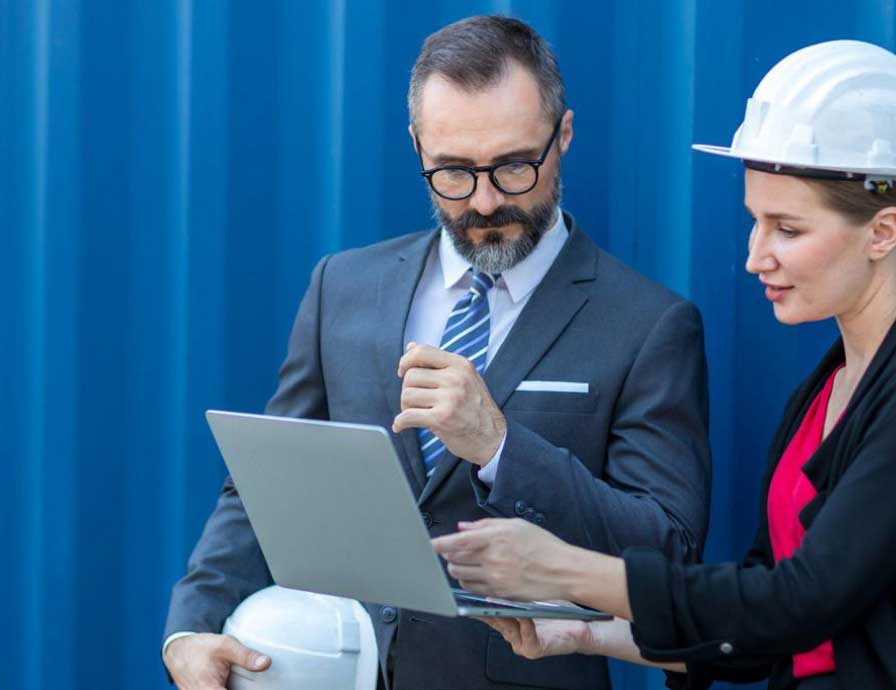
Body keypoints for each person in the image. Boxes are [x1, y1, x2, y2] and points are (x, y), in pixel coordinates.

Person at [164, 15, 712, 690]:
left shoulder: (650, 325)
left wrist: (501, 447)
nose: (484, 201)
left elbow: (667, 554)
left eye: (514, 166)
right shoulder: (343, 288)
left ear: (563, 135)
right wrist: (192, 628)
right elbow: (265, 482)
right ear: (417, 146)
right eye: (452, 171)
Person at [432, 39, 896, 690]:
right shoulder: (827, 389)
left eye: (788, 229)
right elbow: (758, 626)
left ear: (883, 232)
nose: (755, 256)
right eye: (754, 222)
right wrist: (581, 632)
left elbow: (801, 600)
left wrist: (562, 568)